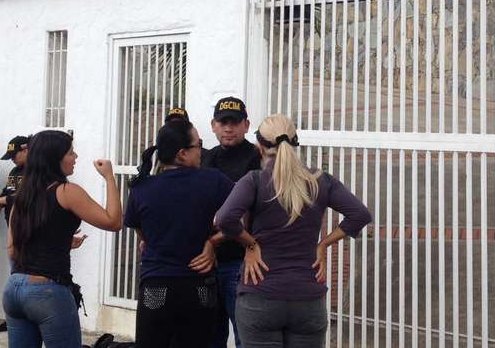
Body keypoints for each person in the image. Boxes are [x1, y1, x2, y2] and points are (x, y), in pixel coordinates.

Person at [215, 115, 372, 348]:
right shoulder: (319, 180)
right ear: (295, 142)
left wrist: (250, 243)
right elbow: (360, 214)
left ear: (259, 146)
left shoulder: (254, 181)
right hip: (308, 299)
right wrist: (323, 244)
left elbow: (224, 219)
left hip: (260, 295)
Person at [3, 130, 122, 348]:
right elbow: (113, 222)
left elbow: (12, 250)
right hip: (47, 291)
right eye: (70, 152)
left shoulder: (22, 195)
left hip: (14, 289)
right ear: (53, 157)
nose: (75, 157)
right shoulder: (67, 191)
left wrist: (60, 243)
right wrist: (109, 178)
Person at [125, 120, 234, 348]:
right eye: (198, 145)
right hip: (199, 286)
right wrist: (213, 242)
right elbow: (241, 218)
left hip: (156, 285)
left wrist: (154, 241)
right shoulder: (213, 180)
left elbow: (141, 232)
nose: (201, 151)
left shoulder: (141, 188)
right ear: (182, 154)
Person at [202, 97, 260, 348]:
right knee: (209, 335)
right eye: (223, 122)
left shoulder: (256, 159)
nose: (228, 128)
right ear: (213, 125)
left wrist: (213, 242)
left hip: (239, 260)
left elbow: (251, 213)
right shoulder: (204, 159)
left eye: (234, 122)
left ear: (246, 125)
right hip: (206, 263)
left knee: (243, 336)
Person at [0, 134, 30, 333]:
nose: (12, 159)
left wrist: (0, 201)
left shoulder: (37, 172)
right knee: (15, 277)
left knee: (27, 278)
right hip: (14, 229)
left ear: (26, 149)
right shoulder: (14, 171)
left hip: (30, 231)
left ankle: (25, 319)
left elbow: (25, 197)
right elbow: (8, 192)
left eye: (15, 154)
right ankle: (13, 319)